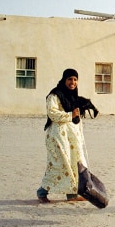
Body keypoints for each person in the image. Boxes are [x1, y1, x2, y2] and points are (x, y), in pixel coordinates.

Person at [37, 68, 88, 203]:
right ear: (64, 80)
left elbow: (76, 117)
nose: (73, 82)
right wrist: (71, 115)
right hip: (57, 136)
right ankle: (42, 191)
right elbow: (52, 113)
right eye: (70, 79)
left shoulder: (72, 96)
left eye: (75, 79)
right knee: (59, 164)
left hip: (70, 136)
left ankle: (71, 195)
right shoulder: (55, 95)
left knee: (73, 163)